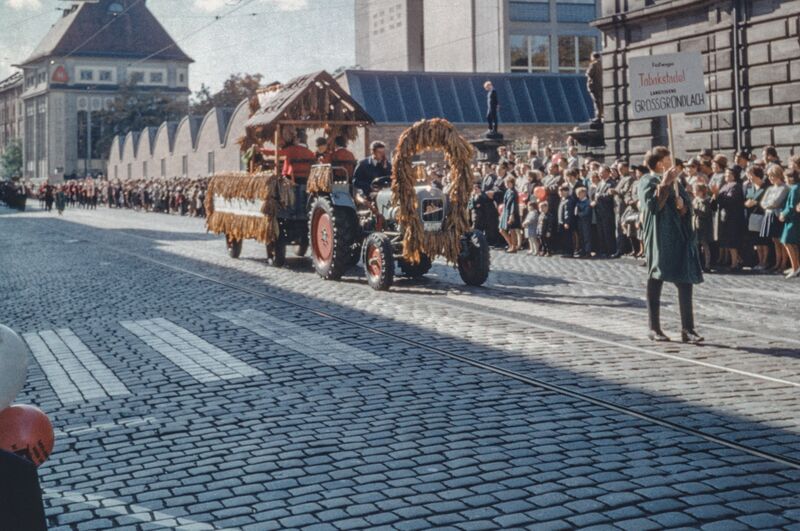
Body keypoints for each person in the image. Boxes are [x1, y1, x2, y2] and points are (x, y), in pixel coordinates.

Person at [638, 146, 703, 343]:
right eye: (668, 159)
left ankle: (688, 329)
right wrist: (664, 184)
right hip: (659, 235)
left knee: (685, 279)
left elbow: (684, 206)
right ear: (659, 163)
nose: (672, 163)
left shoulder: (676, 182)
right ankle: (654, 327)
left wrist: (683, 207)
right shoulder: (647, 180)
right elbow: (653, 206)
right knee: (656, 276)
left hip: (678, 234)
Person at [759, 165, 790, 273]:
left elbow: (776, 202)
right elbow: (763, 202)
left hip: (777, 216)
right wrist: (768, 205)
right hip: (769, 215)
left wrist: (768, 204)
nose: (771, 178)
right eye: (769, 176)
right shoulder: (770, 188)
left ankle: (783, 263)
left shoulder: (784, 188)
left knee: (781, 241)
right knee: (775, 241)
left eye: (773, 176)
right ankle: (777, 263)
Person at [714, 168, 746, 271]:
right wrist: (715, 195)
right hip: (725, 217)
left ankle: (734, 263)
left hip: (733, 217)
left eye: (728, 174)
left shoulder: (736, 186)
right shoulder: (724, 186)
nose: (726, 176)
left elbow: (730, 201)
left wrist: (718, 195)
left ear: (734, 175)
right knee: (727, 241)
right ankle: (736, 260)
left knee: (732, 242)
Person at [779, 169, 800, 278]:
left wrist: (783, 214)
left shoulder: (795, 188)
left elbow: (792, 206)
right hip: (794, 219)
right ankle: (796, 266)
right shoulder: (796, 187)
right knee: (793, 243)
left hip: (792, 219)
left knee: (786, 241)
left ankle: (795, 268)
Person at [692, 183, 714, 272]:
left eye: (695, 190)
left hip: (704, 226)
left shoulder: (707, 200)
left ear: (701, 191)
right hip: (696, 225)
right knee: (696, 245)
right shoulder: (696, 199)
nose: (694, 192)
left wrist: (695, 210)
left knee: (705, 245)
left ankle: (707, 264)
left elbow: (705, 213)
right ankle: (698, 264)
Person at [499, 176, 520, 252]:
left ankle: (513, 247)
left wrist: (512, 214)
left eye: (508, 183)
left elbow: (513, 204)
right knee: (501, 230)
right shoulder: (508, 191)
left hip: (511, 212)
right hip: (505, 212)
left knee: (512, 230)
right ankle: (511, 245)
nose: (506, 184)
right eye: (506, 183)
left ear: (512, 183)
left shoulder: (513, 192)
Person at [586, 52, 603, 122]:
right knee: (601, 101)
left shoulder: (593, 64)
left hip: (594, 85)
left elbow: (589, 74)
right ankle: (602, 115)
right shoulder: (602, 64)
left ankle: (598, 116)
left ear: (593, 57)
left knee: (596, 101)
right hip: (601, 85)